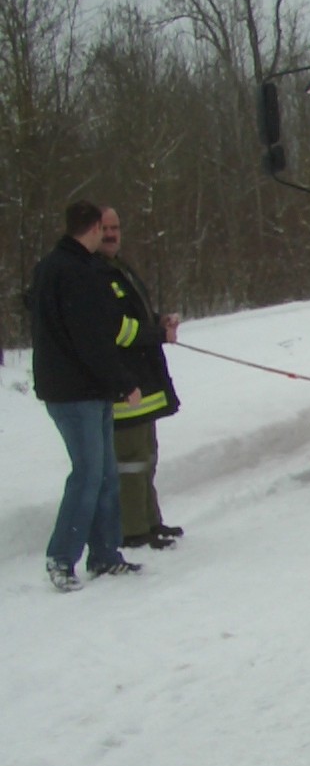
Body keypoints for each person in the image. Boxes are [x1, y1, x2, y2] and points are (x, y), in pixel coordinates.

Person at [29, 201, 146, 590]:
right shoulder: (75, 272)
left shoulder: (52, 266)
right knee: (88, 474)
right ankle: (61, 557)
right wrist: (124, 381)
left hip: (82, 388)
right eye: (104, 228)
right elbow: (91, 339)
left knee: (106, 473)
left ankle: (105, 554)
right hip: (74, 392)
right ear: (94, 227)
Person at [95, 206, 184, 549]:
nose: (111, 234)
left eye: (116, 227)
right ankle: (132, 531)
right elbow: (117, 330)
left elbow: (138, 315)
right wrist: (156, 335)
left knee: (147, 455)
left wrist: (159, 322)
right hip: (123, 383)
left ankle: (150, 521)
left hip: (142, 379)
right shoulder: (96, 273)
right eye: (104, 228)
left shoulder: (119, 267)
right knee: (130, 462)